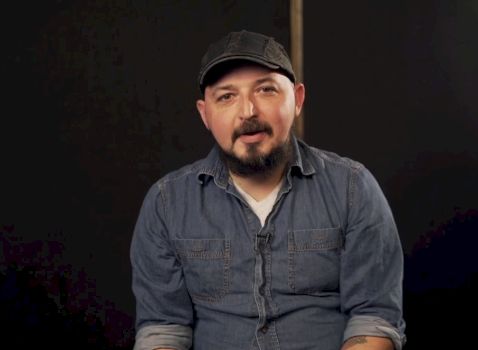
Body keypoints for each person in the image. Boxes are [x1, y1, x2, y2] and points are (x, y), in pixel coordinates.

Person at [130, 30, 406, 350]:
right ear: (205, 113)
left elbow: (374, 318)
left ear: (298, 99)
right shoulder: (166, 203)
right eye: (226, 96)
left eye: (265, 89)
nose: (248, 111)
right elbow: (163, 330)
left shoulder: (353, 188)